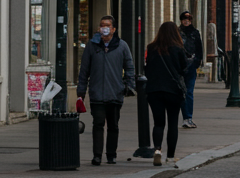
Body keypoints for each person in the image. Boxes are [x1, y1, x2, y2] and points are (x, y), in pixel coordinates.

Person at [76, 15, 134, 166]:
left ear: (113, 29)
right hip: (97, 93)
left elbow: (129, 67)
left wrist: (128, 85)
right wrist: (81, 91)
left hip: (115, 93)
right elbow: (84, 70)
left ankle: (111, 154)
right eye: (102, 25)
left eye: (107, 25)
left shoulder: (122, 46)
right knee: (98, 124)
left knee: (113, 125)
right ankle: (97, 155)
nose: (104, 28)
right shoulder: (92, 46)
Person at [144, 21, 188, 166]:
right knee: (173, 123)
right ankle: (170, 156)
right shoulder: (178, 49)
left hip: (154, 90)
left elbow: (147, 69)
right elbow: (183, 69)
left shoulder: (151, 48)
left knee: (158, 123)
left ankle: (157, 150)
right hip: (173, 90)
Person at [178, 11, 203, 129]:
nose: (186, 20)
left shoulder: (195, 33)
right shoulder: (177, 33)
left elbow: (199, 50)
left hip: (191, 66)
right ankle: (185, 118)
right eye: (184, 19)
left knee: (189, 92)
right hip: (180, 67)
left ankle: (188, 117)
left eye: (188, 18)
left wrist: (196, 63)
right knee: (182, 93)